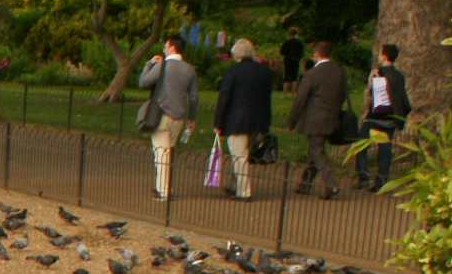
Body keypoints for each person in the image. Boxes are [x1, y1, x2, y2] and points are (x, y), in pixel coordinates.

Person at [211, 38, 273, 201]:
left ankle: (244, 191)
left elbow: (224, 98)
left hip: (237, 120)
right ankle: (235, 185)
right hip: (259, 120)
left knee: (239, 156)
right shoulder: (265, 72)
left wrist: (218, 122)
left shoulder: (233, 72)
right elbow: (267, 98)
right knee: (242, 156)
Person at [138, 35, 198, 200]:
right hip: (179, 117)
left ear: (172, 47)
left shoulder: (163, 66)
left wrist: (149, 64)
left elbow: (143, 82)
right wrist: (192, 118)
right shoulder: (190, 69)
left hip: (161, 114)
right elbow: (194, 97)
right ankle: (164, 187)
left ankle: (163, 191)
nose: (164, 48)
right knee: (168, 153)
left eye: (166, 45)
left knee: (161, 154)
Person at [288, 38, 346, 198]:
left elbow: (300, 99)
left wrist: (292, 120)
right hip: (332, 116)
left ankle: (332, 184)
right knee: (314, 150)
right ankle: (305, 183)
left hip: (314, 119)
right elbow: (343, 95)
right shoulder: (339, 71)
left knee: (316, 151)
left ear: (316, 54)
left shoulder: (311, 74)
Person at [355, 42, 412, 190]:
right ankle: (381, 180)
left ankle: (363, 176)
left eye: (380, 53)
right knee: (385, 149)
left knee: (361, 145)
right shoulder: (399, 76)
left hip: (374, 117)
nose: (379, 56)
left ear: (385, 56)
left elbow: (370, 95)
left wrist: (365, 112)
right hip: (391, 118)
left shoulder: (377, 73)